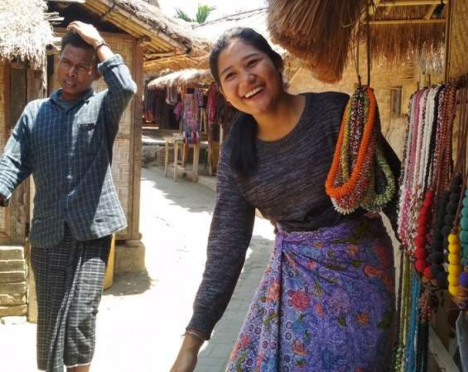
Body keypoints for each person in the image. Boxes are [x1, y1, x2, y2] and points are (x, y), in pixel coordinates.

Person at [170, 27, 401, 372]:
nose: (246, 79)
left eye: (253, 63)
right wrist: (193, 341)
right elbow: (226, 247)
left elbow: (393, 191)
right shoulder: (237, 154)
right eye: (231, 75)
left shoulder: (336, 114)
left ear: (276, 63)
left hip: (361, 277)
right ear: (223, 93)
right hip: (294, 278)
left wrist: (429, 267)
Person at [0, 21, 137, 372]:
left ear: (94, 72)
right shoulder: (35, 112)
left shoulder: (104, 106)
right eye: (66, 62)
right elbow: (13, 160)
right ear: (57, 61)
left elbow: (126, 86)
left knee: (80, 318)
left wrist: (98, 41)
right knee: (49, 320)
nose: (72, 73)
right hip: (47, 233)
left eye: (82, 66)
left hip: (92, 231)